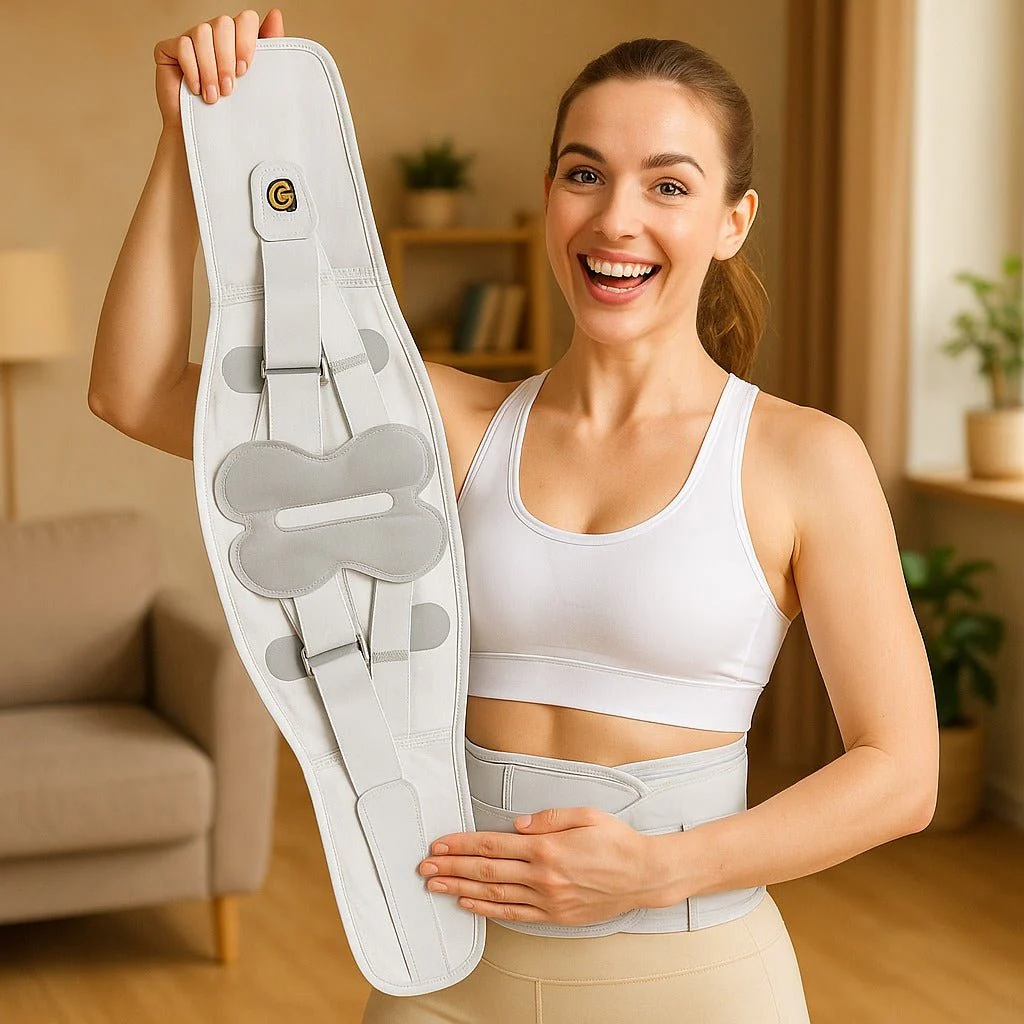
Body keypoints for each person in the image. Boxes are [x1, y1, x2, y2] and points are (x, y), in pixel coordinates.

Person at [89, 10, 939, 1023]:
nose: (615, 219)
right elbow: (135, 392)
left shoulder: (803, 459)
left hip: (694, 982)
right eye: (585, 174)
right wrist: (187, 139)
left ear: (732, 220)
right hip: (443, 976)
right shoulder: (443, 422)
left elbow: (901, 775)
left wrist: (656, 869)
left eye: (668, 185)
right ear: (547, 198)